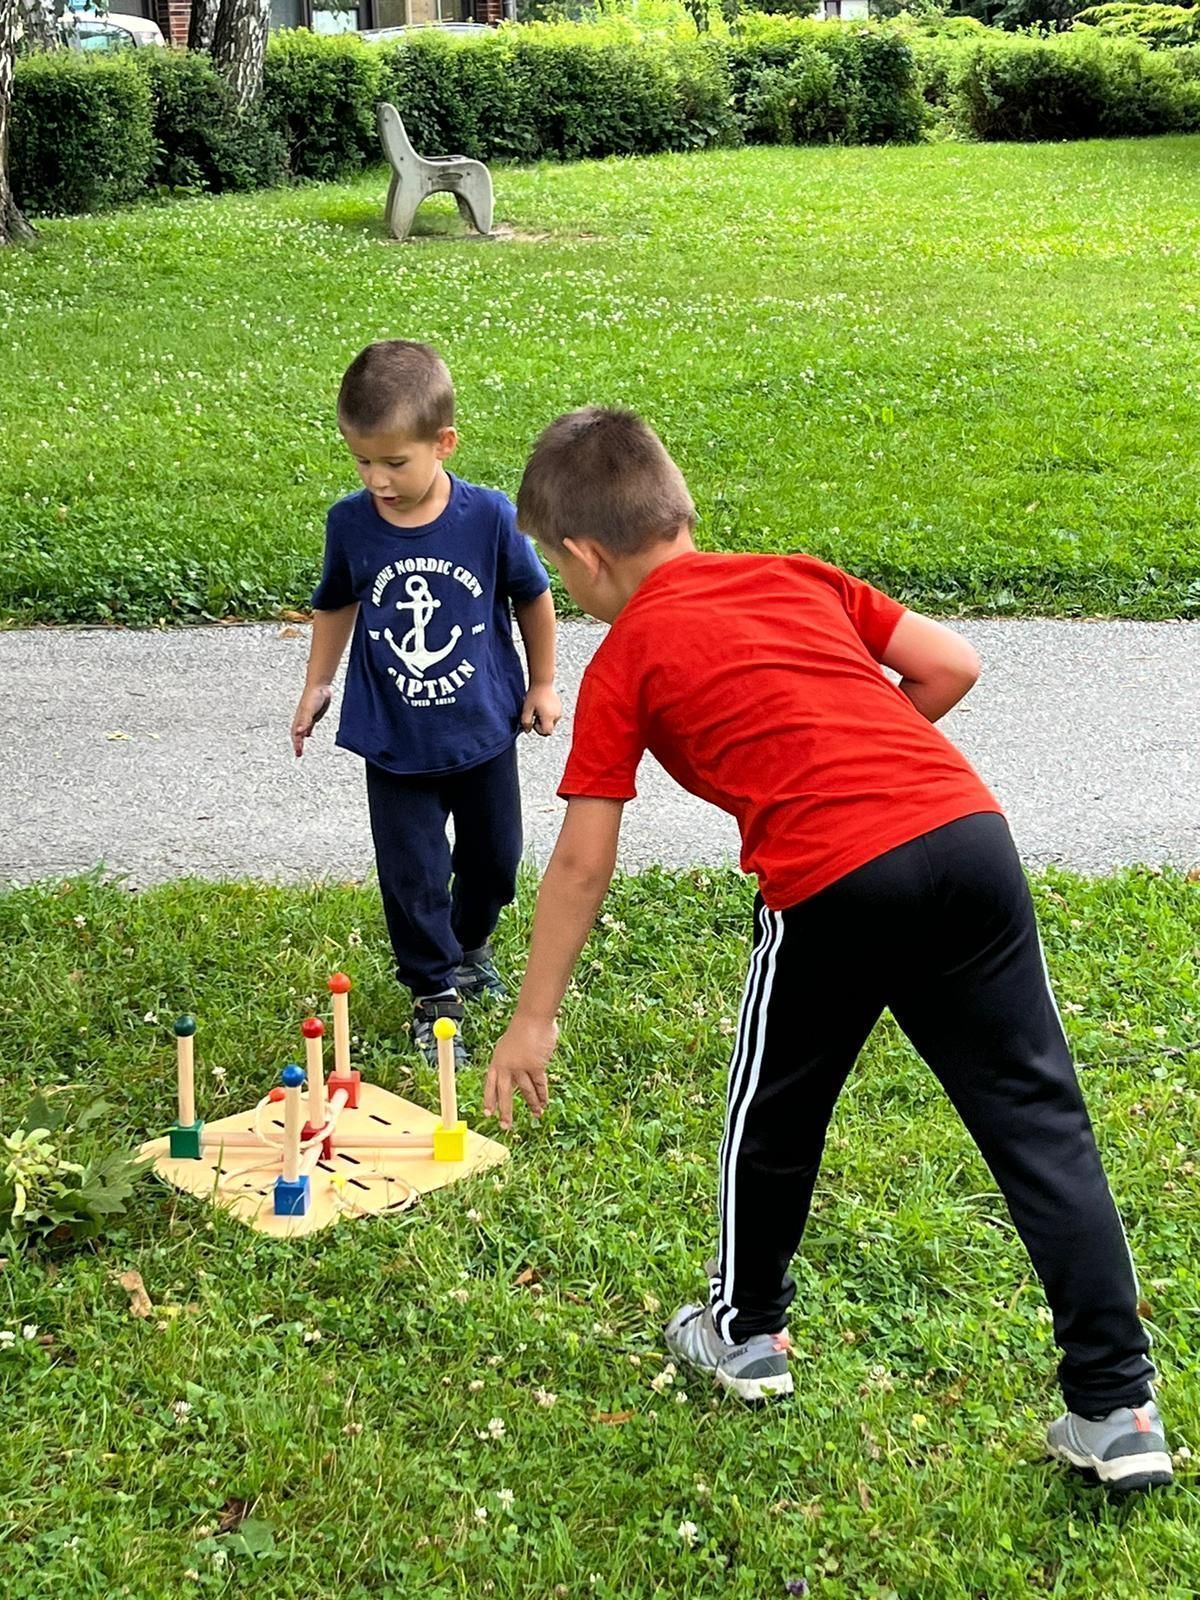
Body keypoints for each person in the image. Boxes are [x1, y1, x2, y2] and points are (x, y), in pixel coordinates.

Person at [483, 406, 1171, 1495]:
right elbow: (950, 665)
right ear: (680, 511)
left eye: (563, 576)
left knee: (775, 1115)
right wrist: (862, 762)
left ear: (583, 555)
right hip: (969, 838)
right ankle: (1117, 1405)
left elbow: (581, 862)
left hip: (834, 882)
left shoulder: (628, 655)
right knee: (1041, 1121)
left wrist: (532, 1019)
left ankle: (747, 1331)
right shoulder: (796, 576)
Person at [292, 341, 561, 1065]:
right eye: (361, 461)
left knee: (495, 861)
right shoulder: (351, 523)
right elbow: (335, 602)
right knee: (411, 876)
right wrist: (318, 682)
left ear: (444, 443)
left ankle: (470, 945)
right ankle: (433, 989)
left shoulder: (489, 517)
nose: (377, 480)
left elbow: (533, 597)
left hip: (482, 729)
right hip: (394, 738)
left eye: (394, 462)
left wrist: (542, 682)